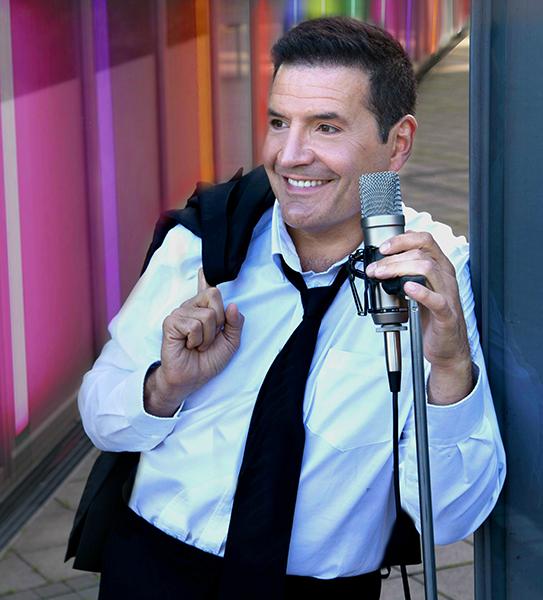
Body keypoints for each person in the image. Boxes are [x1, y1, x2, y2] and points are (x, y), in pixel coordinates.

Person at [74, 16, 505, 600]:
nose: (290, 155)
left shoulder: (438, 277)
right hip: (154, 568)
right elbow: (100, 417)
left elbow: (448, 517)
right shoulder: (207, 241)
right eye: (279, 122)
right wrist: (164, 387)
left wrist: (451, 367)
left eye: (326, 127)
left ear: (398, 143)